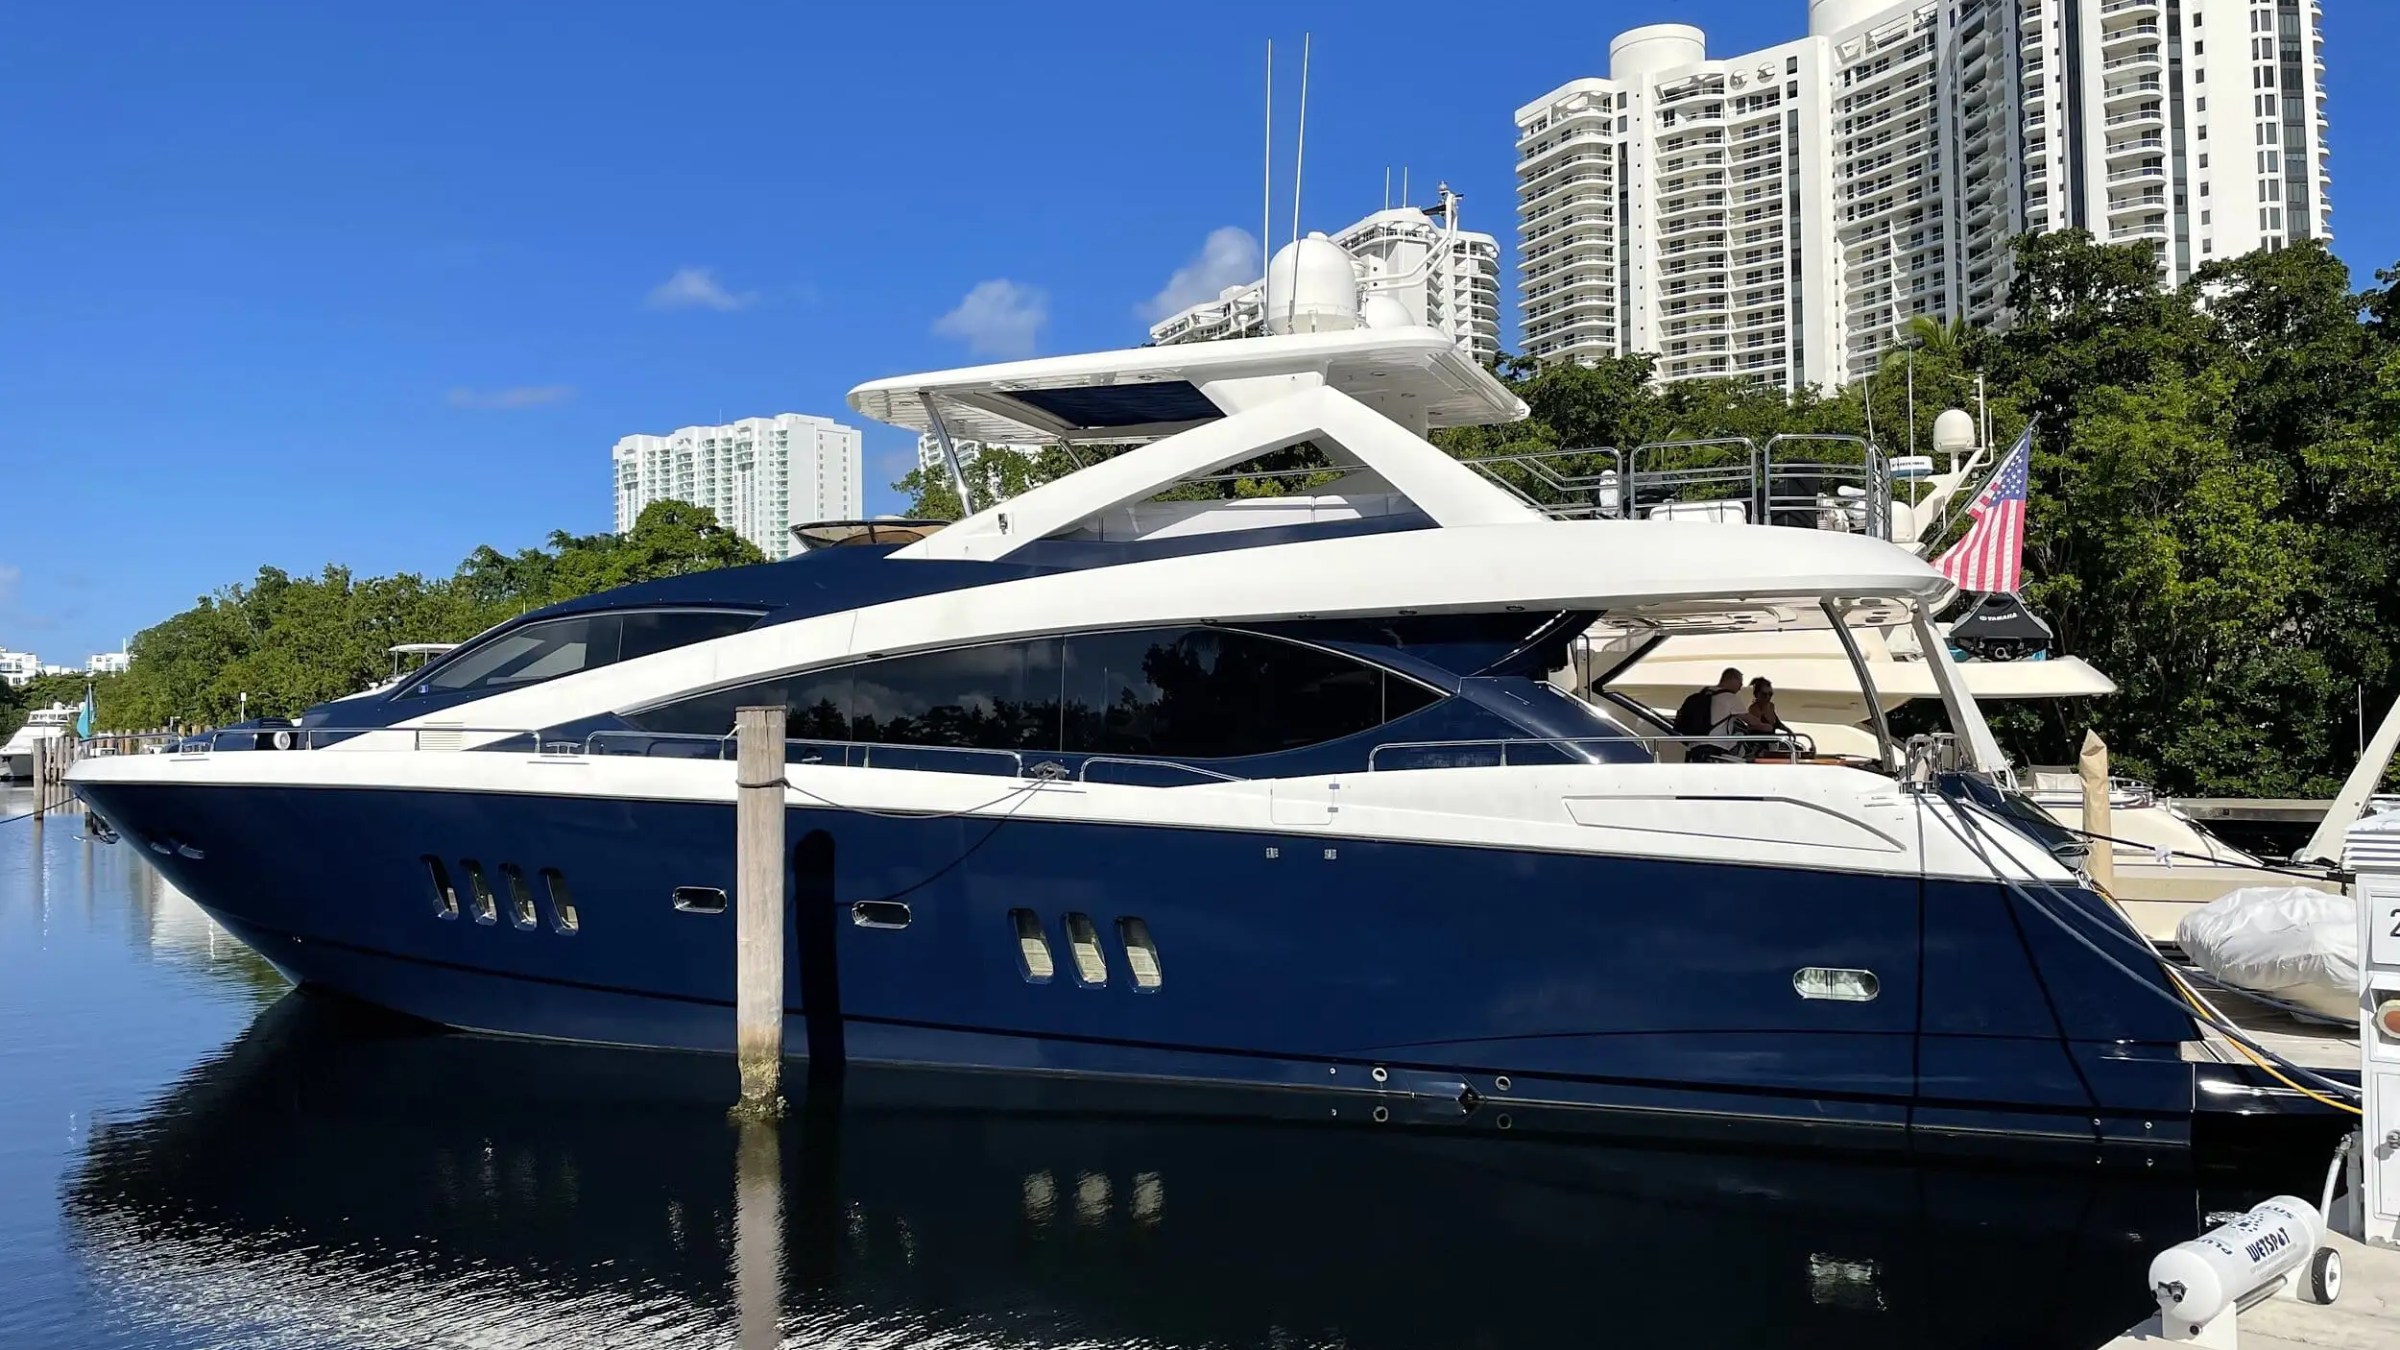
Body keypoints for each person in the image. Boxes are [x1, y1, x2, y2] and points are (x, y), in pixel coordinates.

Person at [1676, 668, 1748, 762]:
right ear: (1732, 679)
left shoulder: (1704, 694)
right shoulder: (1730, 697)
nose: (1740, 687)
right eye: (1740, 683)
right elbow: (1752, 721)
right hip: (1715, 748)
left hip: (1694, 748)